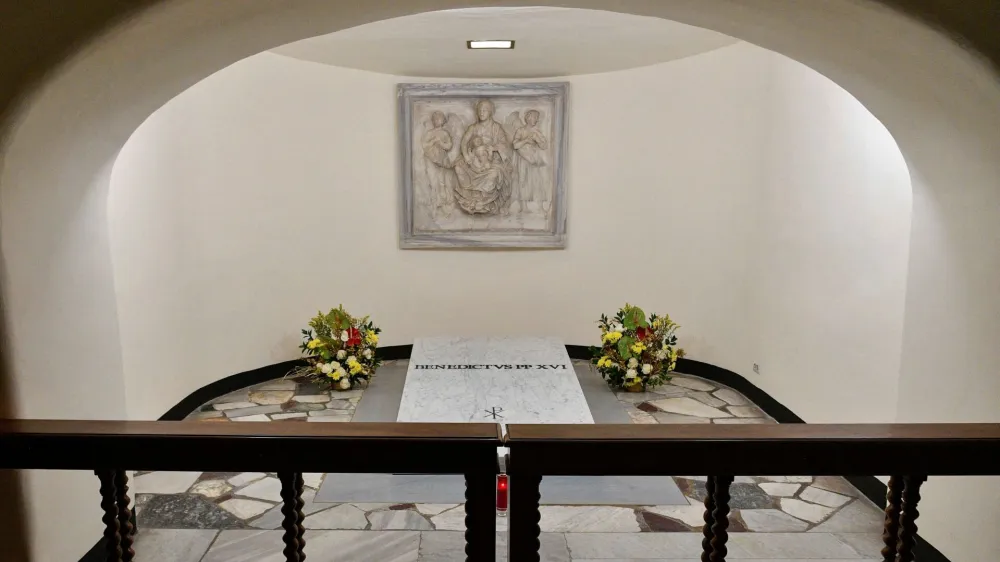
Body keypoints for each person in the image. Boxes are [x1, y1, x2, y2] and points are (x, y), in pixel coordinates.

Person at [453, 99, 513, 215]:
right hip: (473, 160)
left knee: (494, 173)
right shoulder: (473, 128)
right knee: (458, 167)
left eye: (484, 110)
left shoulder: (496, 128)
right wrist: (466, 156)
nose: (481, 113)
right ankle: (471, 199)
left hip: (491, 161)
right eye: (479, 110)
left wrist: (492, 147)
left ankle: (485, 201)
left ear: (490, 112)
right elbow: (464, 142)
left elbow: (504, 145)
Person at [512, 109, 549, 213]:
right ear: (528, 118)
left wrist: (538, 139)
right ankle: (524, 207)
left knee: (537, 181)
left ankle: (540, 207)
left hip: (534, 158)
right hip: (523, 159)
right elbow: (515, 145)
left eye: (537, 118)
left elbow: (544, 145)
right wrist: (526, 140)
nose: (536, 120)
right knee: (523, 181)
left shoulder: (537, 130)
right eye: (534, 117)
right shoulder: (521, 130)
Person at [421, 111, 454, 217]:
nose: (436, 120)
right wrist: (433, 141)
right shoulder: (429, 133)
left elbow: (449, 146)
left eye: (439, 118)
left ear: (443, 120)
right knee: (433, 181)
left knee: (442, 181)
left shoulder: (445, 133)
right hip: (430, 159)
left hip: (442, 161)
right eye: (434, 118)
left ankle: (443, 204)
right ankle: (434, 203)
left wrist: (441, 144)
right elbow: (424, 145)